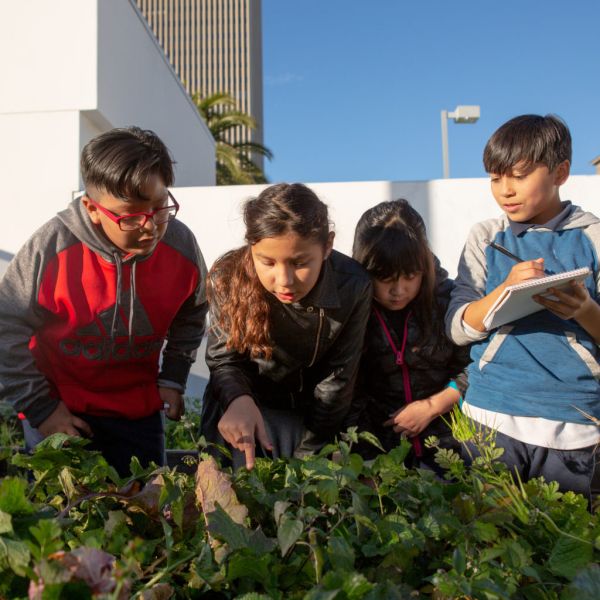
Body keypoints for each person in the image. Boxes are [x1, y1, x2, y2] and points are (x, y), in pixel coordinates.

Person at [0, 127, 208, 476]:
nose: (150, 227)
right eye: (130, 216)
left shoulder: (181, 246)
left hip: (138, 412)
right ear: (91, 209)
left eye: (159, 207)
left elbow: (193, 312)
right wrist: (42, 410)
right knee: (63, 515)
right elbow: (6, 326)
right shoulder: (50, 248)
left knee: (145, 511)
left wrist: (173, 378)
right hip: (60, 409)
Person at [446, 114, 600, 501]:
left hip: (576, 428)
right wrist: (505, 291)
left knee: (568, 551)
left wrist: (583, 309)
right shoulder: (485, 236)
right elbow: (457, 326)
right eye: (495, 178)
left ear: (561, 172)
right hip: (489, 420)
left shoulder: (594, 237)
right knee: (485, 546)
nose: (505, 191)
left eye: (519, 175)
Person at [200, 182, 372, 470]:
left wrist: (309, 457)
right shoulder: (225, 276)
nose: (284, 280)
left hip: (313, 418)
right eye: (267, 262)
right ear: (251, 246)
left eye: (300, 262)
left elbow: (337, 381)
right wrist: (237, 399)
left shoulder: (353, 285)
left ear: (327, 245)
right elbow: (223, 360)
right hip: (241, 407)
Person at [347, 199, 469, 468]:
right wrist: (364, 460)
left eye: (410, 276)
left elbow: (477, 367)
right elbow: (349, 391)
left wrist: (433, 406)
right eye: (385, 278)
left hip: (451, 448)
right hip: (379, 453)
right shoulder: (352, 310)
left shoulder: (448, 301)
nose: (398, 290)